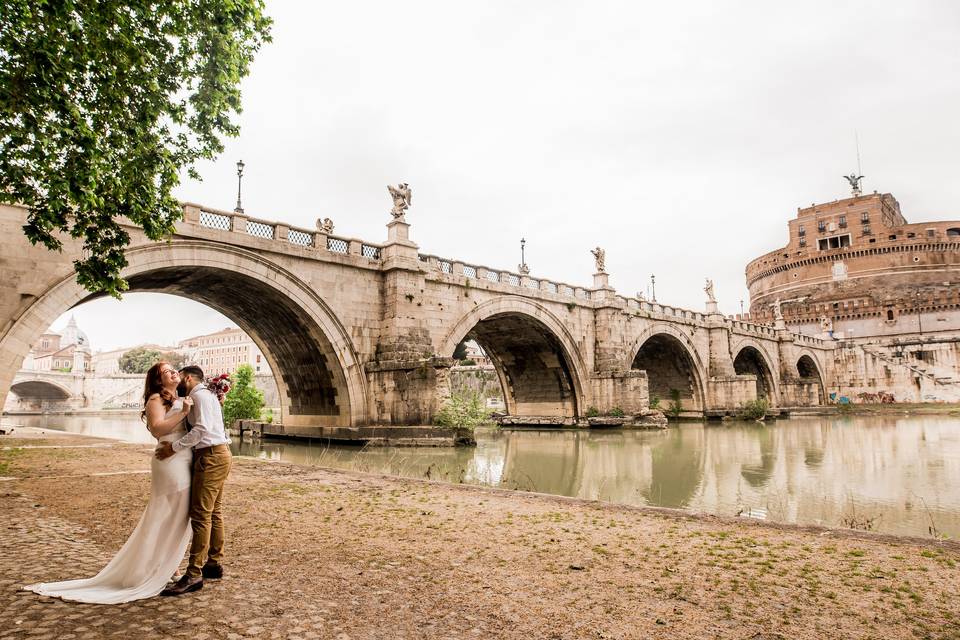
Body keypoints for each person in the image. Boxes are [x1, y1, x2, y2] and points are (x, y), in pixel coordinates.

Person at [24, 362, 194, 603]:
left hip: (183, 458)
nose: (173, 372)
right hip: (169, 462)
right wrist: (184, 412)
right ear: (158, 380)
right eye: (167, 371)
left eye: (172, 368)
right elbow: (157, 430)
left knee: (179, 515)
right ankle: (156, 568)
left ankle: (169, 566)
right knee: (165, 513)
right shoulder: (156, 399)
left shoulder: (180, 397)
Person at [156, 365, 232, 596]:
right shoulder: (206, 393)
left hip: (209, 456)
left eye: (179, 376)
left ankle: (193, 574)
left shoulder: (199, 395)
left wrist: (174, 448)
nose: (177, 379)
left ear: (188, 378)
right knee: (214, 512)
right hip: (220, 453)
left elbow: (201, 429)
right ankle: (213, 563)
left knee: (200, 515)